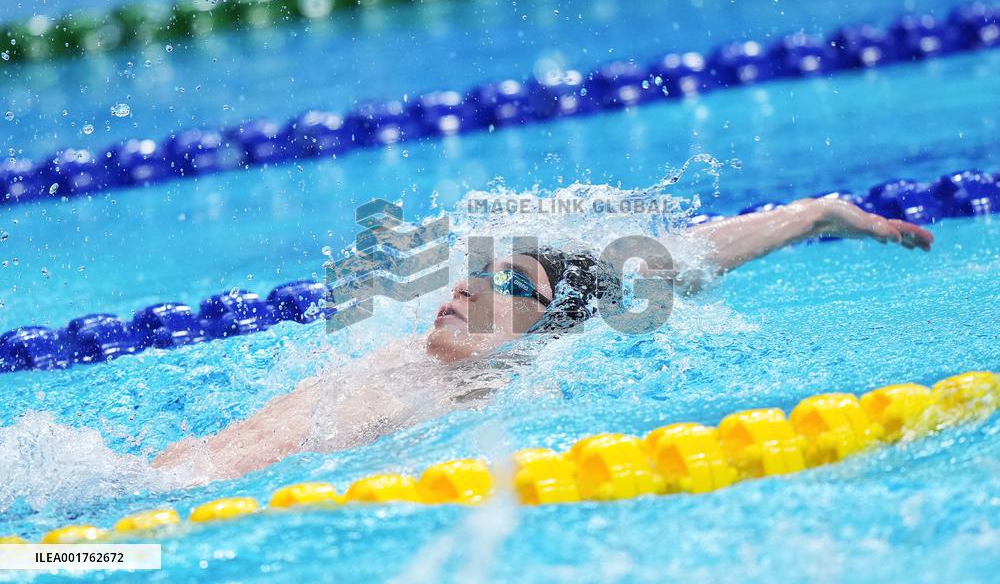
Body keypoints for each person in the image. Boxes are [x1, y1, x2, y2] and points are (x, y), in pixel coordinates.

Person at [151, 196, 933, 481]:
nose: (468, 285)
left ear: (541, 335)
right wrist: (817, 214)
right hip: (146, 479)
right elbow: (668, 254)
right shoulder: (401, 354)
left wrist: (823, 218)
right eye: (482, 271)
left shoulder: (495, 395)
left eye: (514, 288)